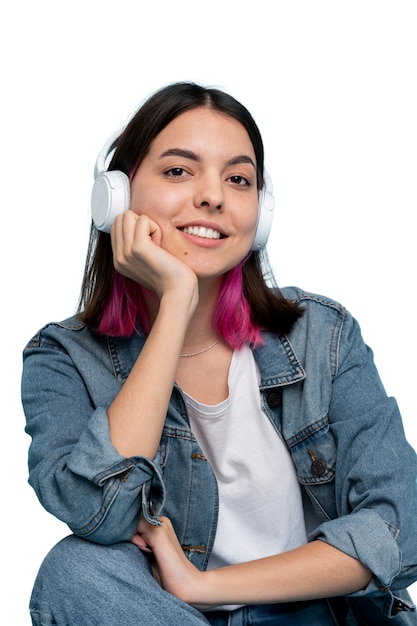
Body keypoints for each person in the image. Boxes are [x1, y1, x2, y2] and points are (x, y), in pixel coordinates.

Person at [21, 81, 417, 626]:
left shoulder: (324, 334)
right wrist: (176, 302)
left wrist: (204, 585)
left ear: (261, 211)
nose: (213, 196)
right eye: (179, 171)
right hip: (169, 617)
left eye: (238, 179)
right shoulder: (61, 359)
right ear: (115, 196)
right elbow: (102, 513)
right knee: (74, 571)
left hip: (325, 616)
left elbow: (399, 525)